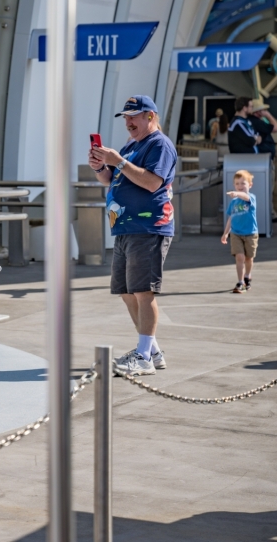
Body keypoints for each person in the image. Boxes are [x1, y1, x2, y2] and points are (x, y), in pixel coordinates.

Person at [89, 95, 177, 377]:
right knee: (127, 292)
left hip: (148, 227)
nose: (128, 122)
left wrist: (119, 161)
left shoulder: (159, 144)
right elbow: (110, 180)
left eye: (134, 116)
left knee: (143, 290)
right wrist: (101, 167)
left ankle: (143, 357)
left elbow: (152, 182)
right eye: (125, 117)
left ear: (150, 116)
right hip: (125, 228)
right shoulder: (131, 145)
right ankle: (151, 350)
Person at [221, 170, 258, 294]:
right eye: (237, 184)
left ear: (250, 185)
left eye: (243, 183)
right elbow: (231, 218)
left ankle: (247, 275)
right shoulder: (234, 202)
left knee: (249, 258)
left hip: (250, 233)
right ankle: (240, 281)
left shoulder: (251, 198)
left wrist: (237, 193)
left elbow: (246, 197)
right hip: (236, 233)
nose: (240, 186)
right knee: (239, 257)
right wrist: (226, 233)